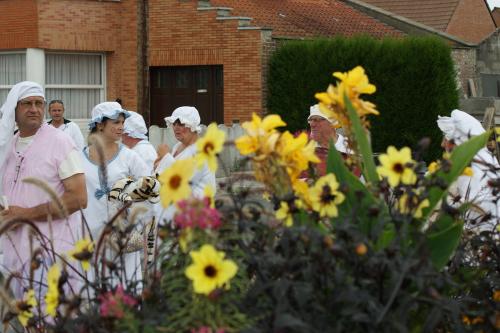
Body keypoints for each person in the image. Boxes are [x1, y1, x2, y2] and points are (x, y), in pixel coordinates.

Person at [0, 81, 87, 298]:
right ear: (14, 108)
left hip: (51, 254)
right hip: (15, 254)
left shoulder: (61, 142)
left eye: (39, 103)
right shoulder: (9, 145)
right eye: (27, 103)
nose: (34, 109)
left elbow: (78, 198)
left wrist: (26, 214)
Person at [81, 101, 149, 282]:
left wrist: (130, 211)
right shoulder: (80, 157)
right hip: (89, 236)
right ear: (100, 124)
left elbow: (150, 188)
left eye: (122, 123)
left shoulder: (129, 156)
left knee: (123, 288)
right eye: (115, 123)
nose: (121, 127)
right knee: (91, 289)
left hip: (121, 237)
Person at [437, 109, 500, 232]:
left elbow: (471, 207)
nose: (442, 144)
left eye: (446, 139)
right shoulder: (481, 159)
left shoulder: (475, 167)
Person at [154, 106, 216, 222]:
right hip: (176, 212)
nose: (176, 128)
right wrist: (158, 164)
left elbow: (184, 179)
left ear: (192, 127)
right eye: (174, 124)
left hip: (195, 214)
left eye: (181, 124)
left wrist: (166, 157)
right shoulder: (177, 146)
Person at [307, 104, 352, 176]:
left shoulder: (350, 149)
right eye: (310, 120)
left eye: (316, 120)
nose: (312, 125)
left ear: (332, 124)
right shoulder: (306, 150)